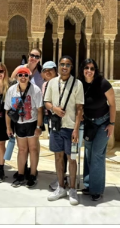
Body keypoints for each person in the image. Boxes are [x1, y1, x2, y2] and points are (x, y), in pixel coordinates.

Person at [44, 56, 84, 206]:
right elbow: (46, 102)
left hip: (70, 128)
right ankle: (61, 187)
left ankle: (72, 189)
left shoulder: (77, 84)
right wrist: (54, 108)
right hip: (56, 128)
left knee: (72, 158)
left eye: (67, 64)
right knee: (58, 157)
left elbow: (80, 109)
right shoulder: (52, 83)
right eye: (62, 64)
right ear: (58, 67)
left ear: (71, 67)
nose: (64, 67)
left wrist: (76, 129)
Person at [79, 58, 117, 201]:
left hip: (103, 124)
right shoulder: (80, 84)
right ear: (82, 70)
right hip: (89, 124)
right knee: (88, 154)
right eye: (86, 68)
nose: (89, 71)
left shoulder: (103, 84)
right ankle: (89, 185)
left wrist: (112, 124)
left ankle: (96, 189)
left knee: (97, 155)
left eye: (92, 68)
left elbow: (112, 104)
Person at [5, 67, 43, 188]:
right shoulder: (11, 90)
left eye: (25, 75)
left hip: (31, 122)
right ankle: (21, 174)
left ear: (29, 77)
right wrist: (8, 127)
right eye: (20, 75)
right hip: (19, 124)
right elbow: (7, 110)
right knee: (22, 149)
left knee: (33, 149)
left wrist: (38, 126)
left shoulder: (35, 90)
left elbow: (40, 110)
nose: (23, 77)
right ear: (16, 77)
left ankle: (32, 175)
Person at [41, 60, 68, 191]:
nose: (48, 72)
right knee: (58, 151)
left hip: (62, 120)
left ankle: (63, 177)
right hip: (51, 120)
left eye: (50, 70)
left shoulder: (60, 84)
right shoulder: (45, 85)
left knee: (64, 151)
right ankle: (60, 177)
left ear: (55, 70)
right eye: (45, 71)